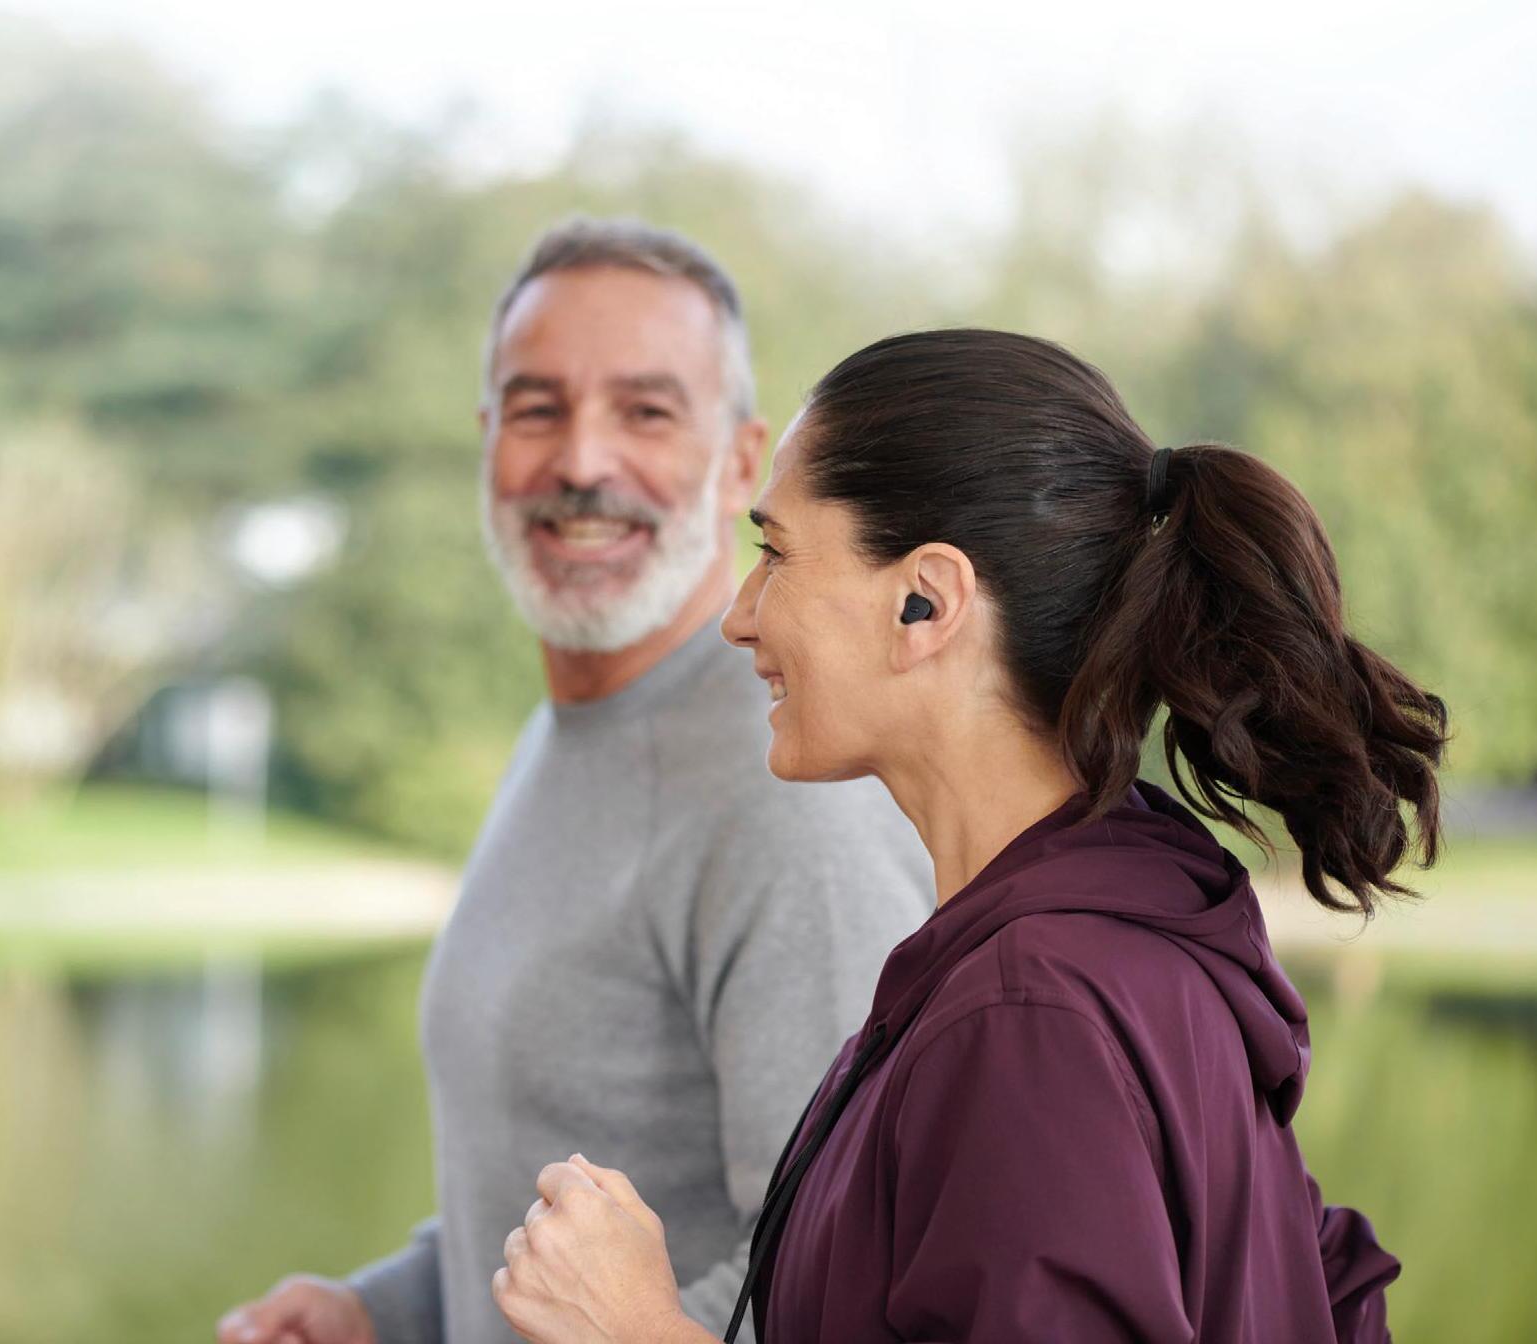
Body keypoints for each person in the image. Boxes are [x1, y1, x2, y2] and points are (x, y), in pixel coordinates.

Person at [491, 328, 1447, 1343]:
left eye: (774, 552)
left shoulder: (1029, 1013)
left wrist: (639, 1332)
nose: (740, 615)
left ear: (927, 602)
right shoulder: (1102, 945)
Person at [216, 222, 933, 1344]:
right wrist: (385, 1310)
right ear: (487, 442)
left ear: (740, 463)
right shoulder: (565, 733)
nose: (583, 462)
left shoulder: (790, 790)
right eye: (537, 409)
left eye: (645, 412)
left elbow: (839, 1280)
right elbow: (547, 1197)